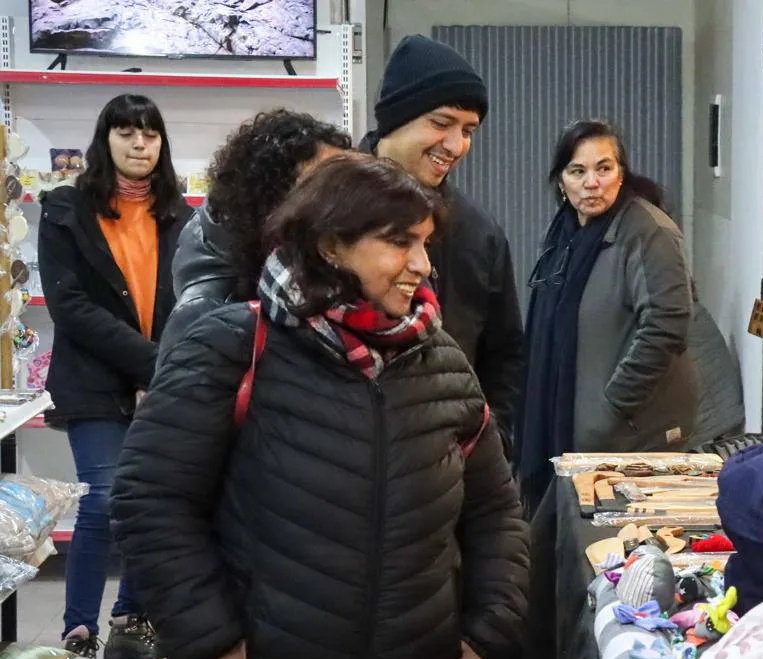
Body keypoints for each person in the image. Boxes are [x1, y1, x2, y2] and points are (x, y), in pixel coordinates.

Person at [110, 155, 529, 659]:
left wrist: (490, 632)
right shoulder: (233, 346)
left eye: (425, 243)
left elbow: (495, 513)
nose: (422, 265)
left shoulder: (443, 365)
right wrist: (207, 643)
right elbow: (152, 498)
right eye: (399, 242)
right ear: (331, 244)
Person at [38, 93, 192, 659]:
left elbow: (193, 299)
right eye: (126, 132)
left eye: (150, 134)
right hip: (96, 380)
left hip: (165, 380)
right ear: (105, 140)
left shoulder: (179, 214)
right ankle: (78, 637)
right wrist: (152, 364)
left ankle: (131, 622)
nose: (139, 144)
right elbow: (70, 306)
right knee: (103, 501)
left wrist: (169, 368)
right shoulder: (66, 209)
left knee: (149, 503)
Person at [517, 120, 698, 511]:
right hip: (581, 434)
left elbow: (667, 324)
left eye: (604, 168)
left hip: (630, 438)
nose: (592, 183)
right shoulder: (563, 235)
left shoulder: (648, 231)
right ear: (561, 181)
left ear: (621, 173)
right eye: (577, 171)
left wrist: (613, 406)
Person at [360, 35, 523, 452]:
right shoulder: (324, 209)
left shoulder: (479, 234)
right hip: (333, 464)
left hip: (444, 469)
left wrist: (491, 446)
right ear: (396, 118)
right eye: (441, 122)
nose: (456, 145)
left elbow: (504, 357)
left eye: (468, 130)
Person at [162, 109, 349, 359]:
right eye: (326, 188)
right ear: (272, 200)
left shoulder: (318, 275)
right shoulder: (204, 314)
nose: (347, 202)